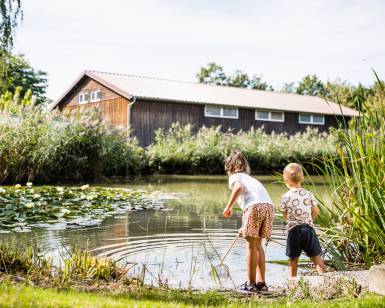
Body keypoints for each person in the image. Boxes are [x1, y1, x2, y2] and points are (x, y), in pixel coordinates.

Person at [223, 150, 274, 293]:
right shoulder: (250, 179)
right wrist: (245, 226)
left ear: (230, 168)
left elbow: (239, 188)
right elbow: (254, 201)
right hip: (268, 207)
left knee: (251, 247)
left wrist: (229, 206)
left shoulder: (235, 177)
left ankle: (250, 285)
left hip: (254, 208)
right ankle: (261, 283)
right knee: (258, 246)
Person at [280, 163, 324, 277]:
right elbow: (315, 211)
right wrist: (310, 221)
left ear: (285, 180)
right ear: (302, 178)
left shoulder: (286, 196)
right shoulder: (308, 194)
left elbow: (284, 213)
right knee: (316, 256)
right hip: (309, 229)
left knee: (293, 259)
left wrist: (289, 217)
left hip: (294, 230)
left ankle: (292, 281)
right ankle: (323, 277)